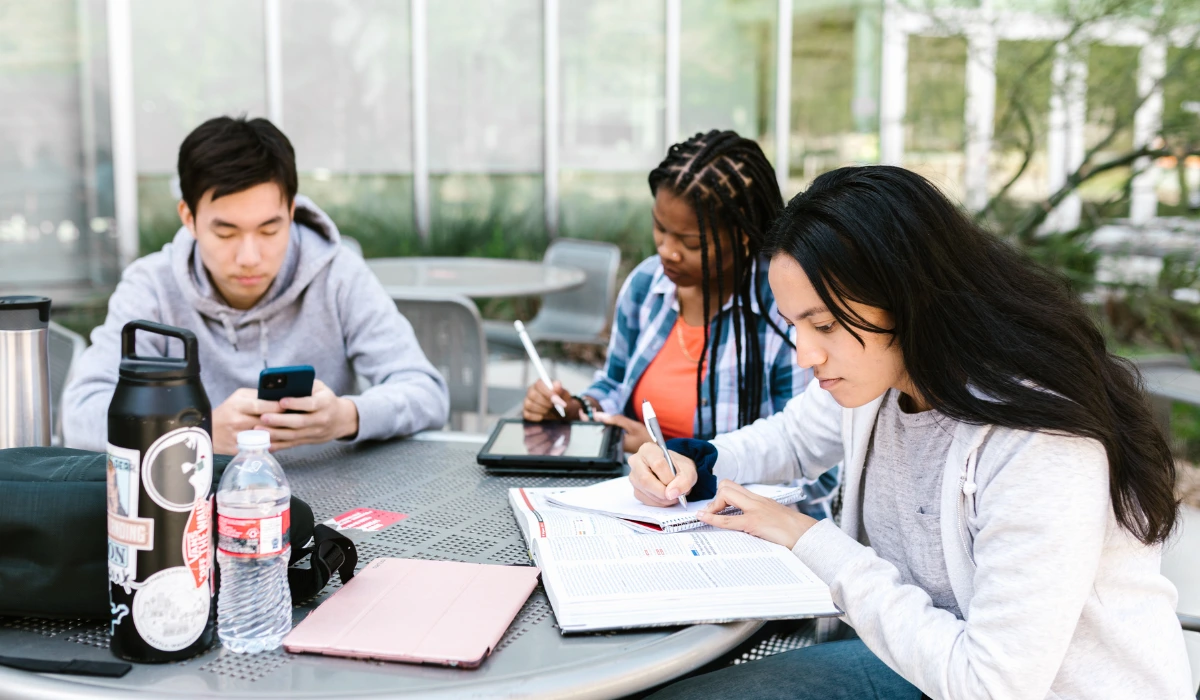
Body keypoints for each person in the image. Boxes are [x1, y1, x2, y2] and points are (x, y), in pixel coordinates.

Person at [631, 166, 1194, 699]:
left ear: (908, 297)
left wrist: (811, 541)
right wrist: (692, 462)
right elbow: (792, 440)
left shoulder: (1038, 442)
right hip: (922, 666)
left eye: (824, 324)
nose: (805, 354)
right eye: (795, 324)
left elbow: (990, 686)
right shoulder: (881, 373)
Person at [63, 116, 449, 455]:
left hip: (333, 505)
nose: (249, 256)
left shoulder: (338, 275)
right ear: (189, 217)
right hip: (195, 508)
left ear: (292, 211)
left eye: (269, 229)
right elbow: (80, 413)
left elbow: (426, 391)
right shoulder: (151, 288)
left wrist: (347, 417)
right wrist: (197, 432)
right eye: (226, 232)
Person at [522, 130, 837, 517]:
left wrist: (675, 455)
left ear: (741, 236)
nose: (667, 251)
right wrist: (578, 410)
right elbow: (615, 384)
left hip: (745, 528)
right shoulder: (646, 287)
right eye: (660, 229)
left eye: (690, 243)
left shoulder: (783, 308)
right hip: (644, 510)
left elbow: (812, 464)